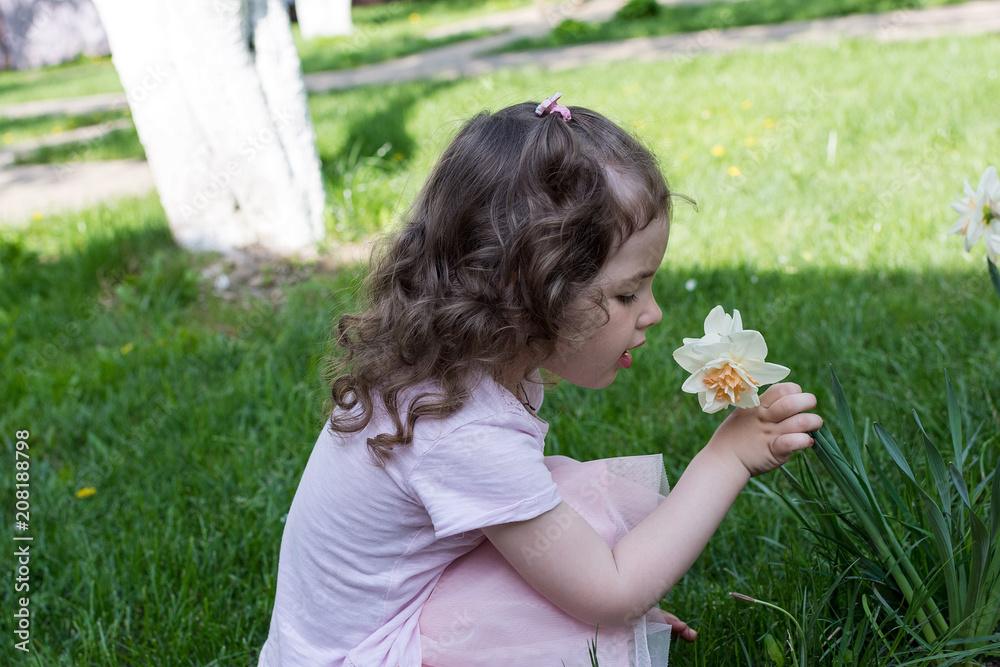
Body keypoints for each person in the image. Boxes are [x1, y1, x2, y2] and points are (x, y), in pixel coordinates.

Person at [258, 93, 823, 666]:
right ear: (530, 290)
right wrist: (726, 456)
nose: (651, 313)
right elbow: (613, 593)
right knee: (575, 535)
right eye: (628, 293)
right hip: (364, 657)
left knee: (563, 499)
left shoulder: (447, 370)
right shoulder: (463, 431)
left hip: (352, 635)